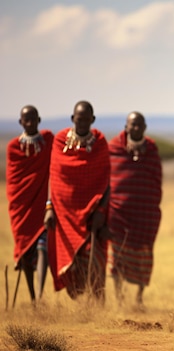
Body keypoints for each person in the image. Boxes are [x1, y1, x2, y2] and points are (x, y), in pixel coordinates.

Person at [45, 100, 110, 301]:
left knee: (95, 257)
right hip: (65, 215)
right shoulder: (60, 141)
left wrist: (100, 211)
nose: (82, 123)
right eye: (78, 119)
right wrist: (49, 207)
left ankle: (98, 305)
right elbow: (54, 178)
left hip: (93, 213)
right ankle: (81, 307)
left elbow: (107, 181)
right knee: (71, 263)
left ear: (93, 120)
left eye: (86, 120)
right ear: (73, 119)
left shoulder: (99, 143)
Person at [108, 112, 162, 307]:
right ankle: (119, 297)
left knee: (144, 254)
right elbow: (108, 179)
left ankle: (139, 297)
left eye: (140, 125)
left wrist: (153, 203)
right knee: (118, 254)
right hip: (119, 212)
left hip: (145, 212)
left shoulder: (152, 149)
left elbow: (157, 180)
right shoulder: (114, 148)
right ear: (126, 127)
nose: (136, 128)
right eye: (133, 125)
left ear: (145, 127)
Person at [6, 105, 53, 304]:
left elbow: (55, 169)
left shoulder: (49, 140)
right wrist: (17, 201)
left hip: (43, 205)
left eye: (33, 119)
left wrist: (51, 204)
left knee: (43, 247)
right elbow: (13, 181)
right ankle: (32, 296)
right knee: (25, 253)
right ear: (20, 122)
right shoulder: (13, 147)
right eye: (26, 120)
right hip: (21, 208)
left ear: (39, 120)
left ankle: (40, 296)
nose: (30, 123)